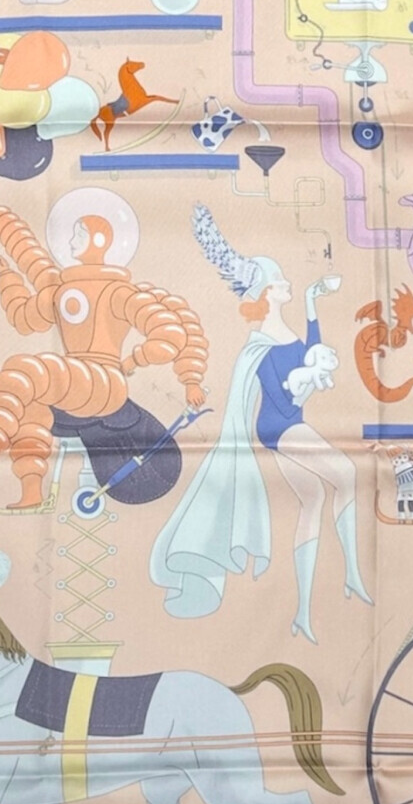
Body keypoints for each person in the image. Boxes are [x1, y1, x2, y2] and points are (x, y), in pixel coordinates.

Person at [151, 205, 371, 641]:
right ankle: (353, 572)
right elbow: (283, 399)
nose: (287, 284)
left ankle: (302, 611)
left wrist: (310, 303)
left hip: (289, 423)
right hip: (279, 427)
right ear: (268, 293)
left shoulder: (286, 334)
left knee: (312, 501)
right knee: (346, 473)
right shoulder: (261, 345)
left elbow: (310, 351)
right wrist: (307, 385)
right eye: (281, 281)